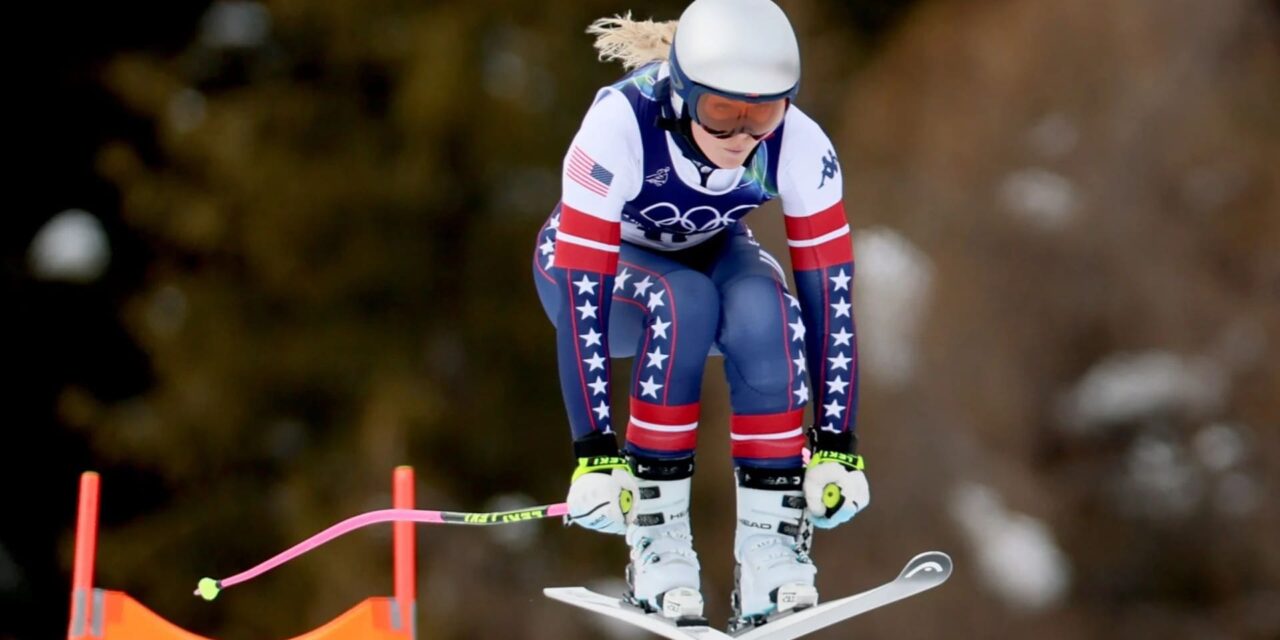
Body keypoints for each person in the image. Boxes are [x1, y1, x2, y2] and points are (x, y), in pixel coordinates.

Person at [531, 0, 869, 628]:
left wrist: (838, 445)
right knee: (683, 301)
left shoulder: (799, 143)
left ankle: (771, 547)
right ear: (683, 93)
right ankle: (658, 541)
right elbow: (584, 297)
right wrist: (595, 454)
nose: (742, 136)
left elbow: (832, 294)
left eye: (761, 114)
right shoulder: (619, 124)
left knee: (766, 307)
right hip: (594, 276)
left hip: (709, 254)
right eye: (722, 112)